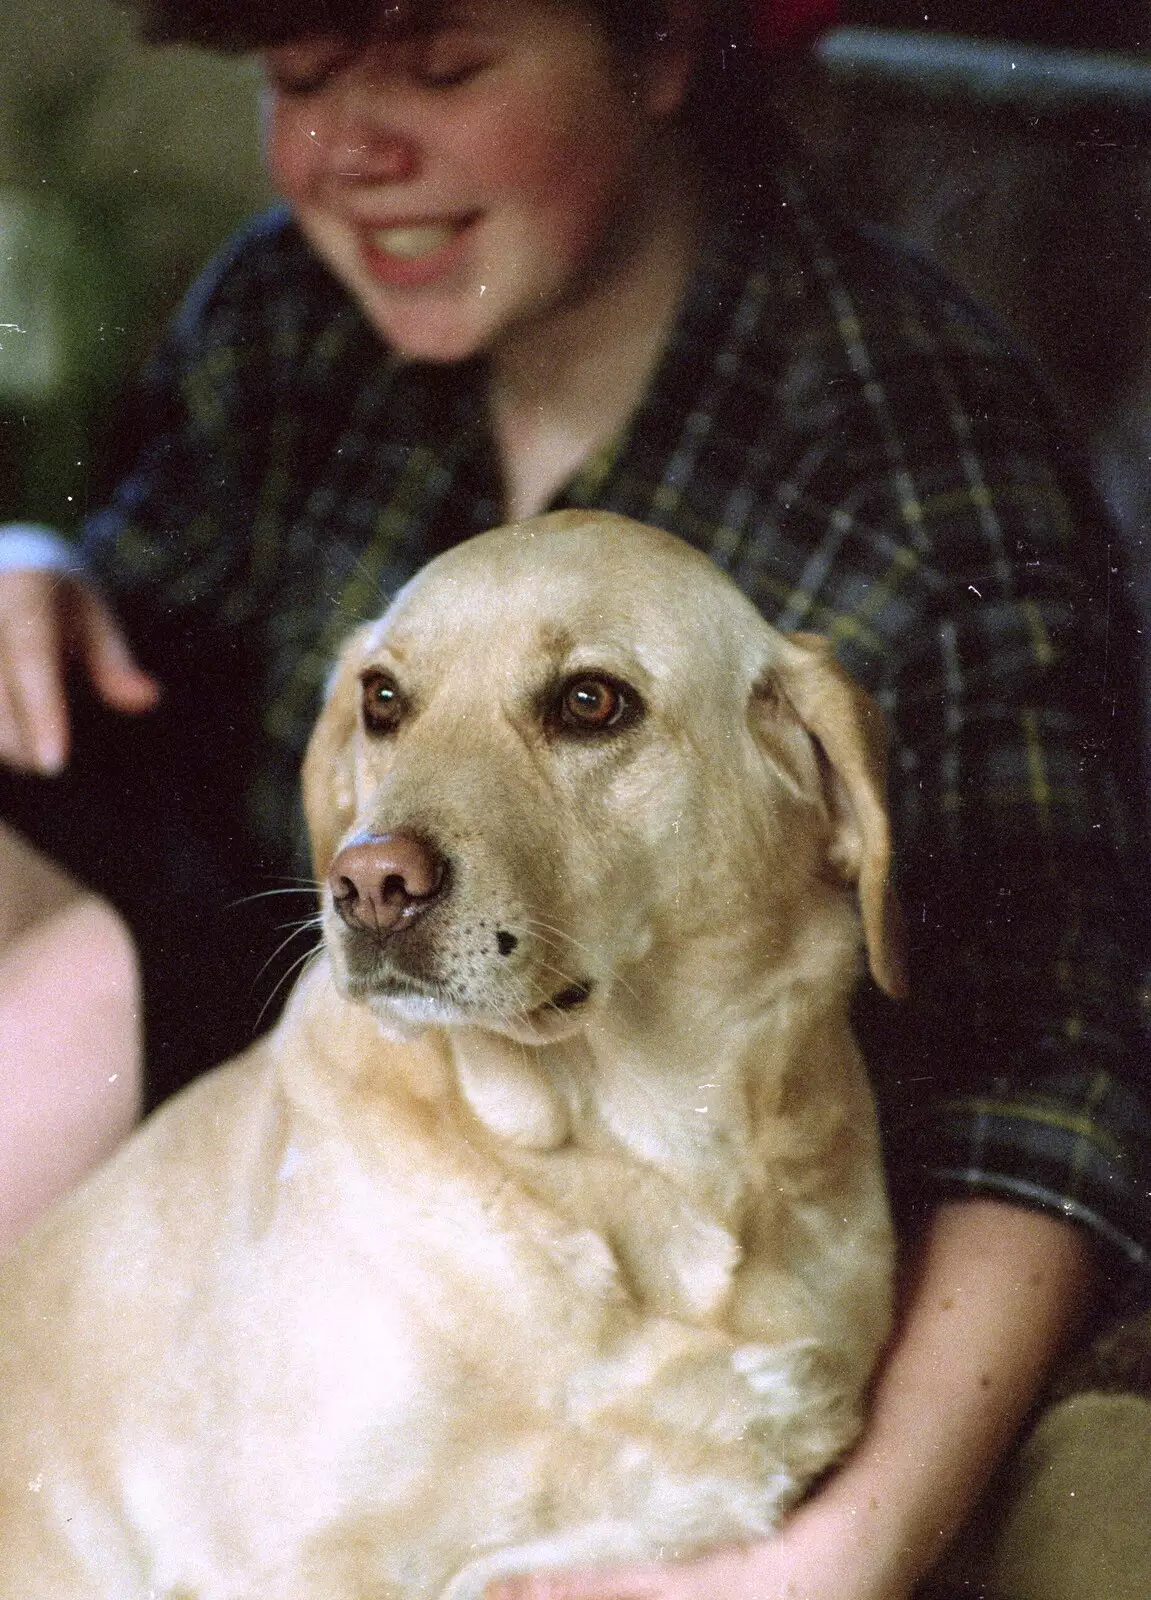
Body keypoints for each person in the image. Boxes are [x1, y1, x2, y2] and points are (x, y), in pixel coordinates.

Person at [0, 0, 1147, 1594]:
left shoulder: (910, 459)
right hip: (298, 1121)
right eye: (300, 78)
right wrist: (34, 560)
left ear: (664, 48)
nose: (353, 150)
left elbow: (1062, 1064)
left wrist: (838, 1555)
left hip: (690, 1176)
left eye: (444, 66)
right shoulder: (294, 310)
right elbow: (132, 645)